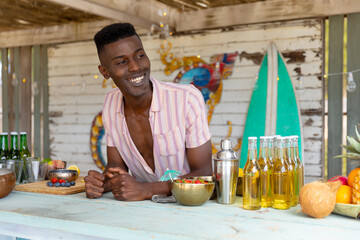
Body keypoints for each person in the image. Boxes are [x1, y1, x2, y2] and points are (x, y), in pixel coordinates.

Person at [84, 23, 212, 201]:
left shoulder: (187, 99)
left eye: (140, 56)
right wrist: (101, 183)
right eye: (122, 62)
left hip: (188, 208)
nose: (135, 67)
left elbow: (204, 174)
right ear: (105, 71)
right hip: (141, 214)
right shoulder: (111, 103)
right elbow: (116, 167)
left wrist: (145, 190)